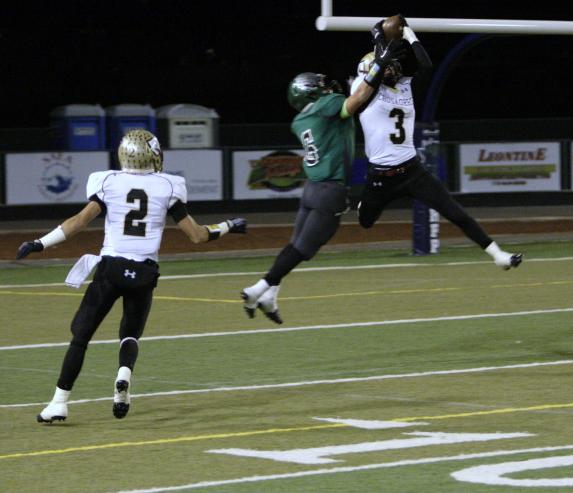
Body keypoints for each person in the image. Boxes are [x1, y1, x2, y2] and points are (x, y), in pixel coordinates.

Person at [16, 129, 247, 423]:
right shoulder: (168, 186)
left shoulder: (109, 182)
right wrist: (229, 225)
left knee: (81, 337)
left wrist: (40, 243)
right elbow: (198, 237)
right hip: (144, 271)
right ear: (153, 155)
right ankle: (123, 376)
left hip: (111, 268)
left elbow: (78, 223)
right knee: (130, 333)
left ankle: (59, 402)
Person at [240, 37, 404, 325]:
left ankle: (269, 294)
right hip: (330, 190)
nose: (328, 88)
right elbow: (357, 100)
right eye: (321, 86)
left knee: (294, 246)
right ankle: (259, 288)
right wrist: (376, 68)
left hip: (311, 189)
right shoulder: (328, 104)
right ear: (312, 93)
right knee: (304, 249)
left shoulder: (300, 121)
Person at [352, 14, 523, 269]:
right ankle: (365, 201)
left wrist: (409, 34)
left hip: (411, 170)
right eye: (386, 68)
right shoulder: (363, 92)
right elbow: (377, 67)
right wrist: (379, 37)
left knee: (455, 212)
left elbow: (426, 65)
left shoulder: (406, 85)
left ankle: (498, 255)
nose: (392, 69)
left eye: (392, 67)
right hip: (381, 175)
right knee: (365, 221)